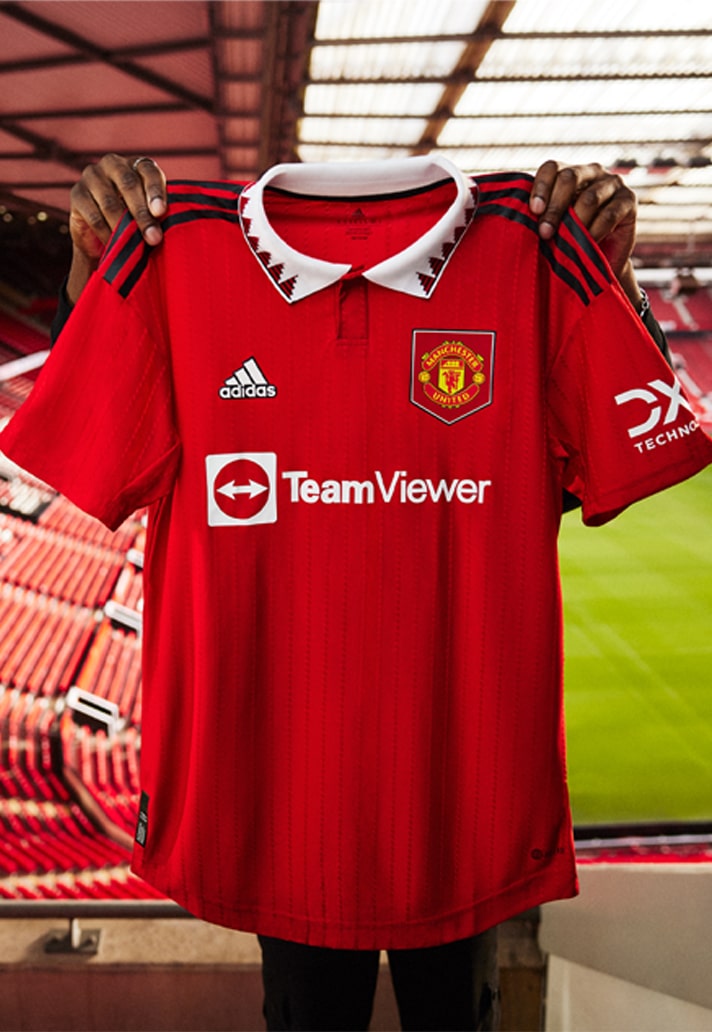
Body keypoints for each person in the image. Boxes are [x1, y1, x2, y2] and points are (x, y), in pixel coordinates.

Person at [5, 153, 708, 1032]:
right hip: (287, 815)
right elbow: (90, 440)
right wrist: (93, 277)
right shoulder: (170, 259)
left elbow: (614, 451)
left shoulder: (533, 257)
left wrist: (614, 282)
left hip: (461, 810)